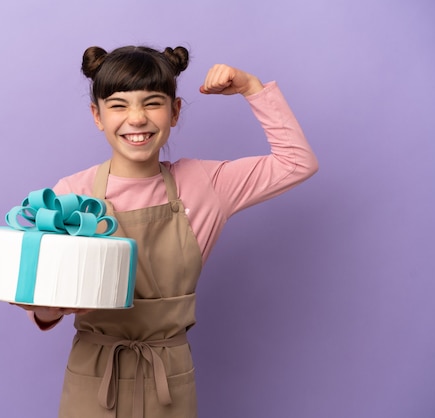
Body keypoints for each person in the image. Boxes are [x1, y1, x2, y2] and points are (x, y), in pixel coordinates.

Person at [16, 45, 319, 418]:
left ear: (175, 112)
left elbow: (297, 163)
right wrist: (47, 309)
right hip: (94, 375)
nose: (137, 118)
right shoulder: (70, 194)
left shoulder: (205, 184)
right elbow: (43, 308)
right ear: (97, 115)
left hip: (168, 376)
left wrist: (251, 87)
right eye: (118, 105)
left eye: (152, 103)